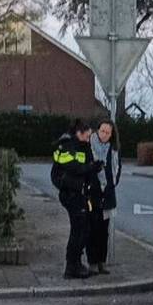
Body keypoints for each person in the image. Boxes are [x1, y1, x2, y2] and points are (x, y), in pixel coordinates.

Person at [51, 119, 103, 279]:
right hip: (71, 194)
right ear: (78, 133)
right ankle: (71, 266)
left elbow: (85, 166)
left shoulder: (81, 145)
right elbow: (73, 168)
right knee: (78, 230)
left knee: (83, 229)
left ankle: (76, 263)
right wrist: (91, 167)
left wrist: (93, 167)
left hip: (79, 193)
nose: (88, 140)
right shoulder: (67, 146)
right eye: (86, 137)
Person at [87, 119, 122, 275]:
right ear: (97, 130)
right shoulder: (90, 146)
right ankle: (92, 262)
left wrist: (111, 185)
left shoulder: (113, 150)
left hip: (107, 194)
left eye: (108, 133)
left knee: (104, 231)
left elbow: (117, 169)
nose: (104, 135)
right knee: (92, 229)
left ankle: (102, 261)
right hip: (92, 193)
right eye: (102, 131)